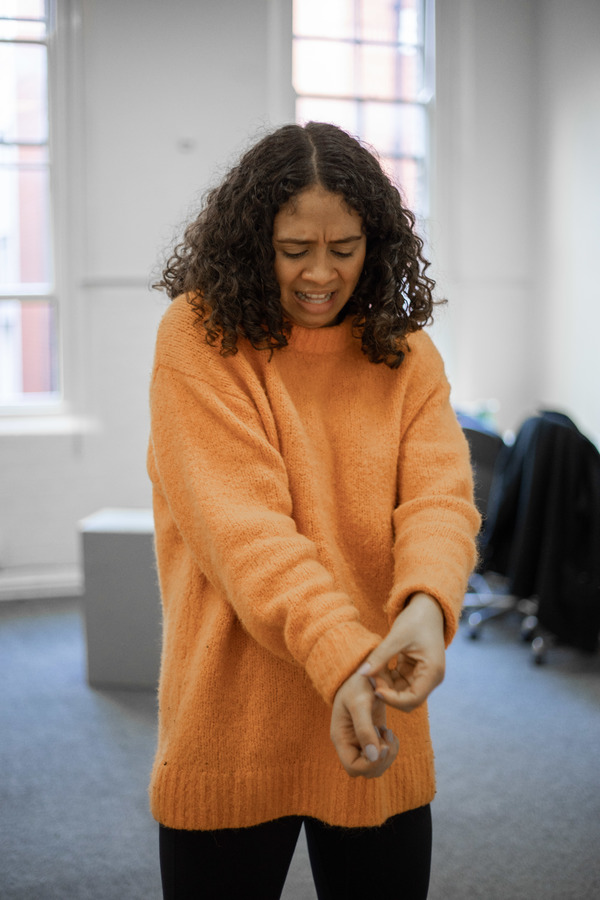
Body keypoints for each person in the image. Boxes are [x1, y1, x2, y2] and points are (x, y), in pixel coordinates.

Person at [148, 121, 480, 900]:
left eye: (345, 247)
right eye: (295, 249)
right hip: (235, 722)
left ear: (379, 242)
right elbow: (245, 534)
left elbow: (440, 499)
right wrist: (346, 662)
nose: (320, 275)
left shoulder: (407, 354)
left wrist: (429, 606)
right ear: (251, 241)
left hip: (377, 716)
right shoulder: (199, 338)